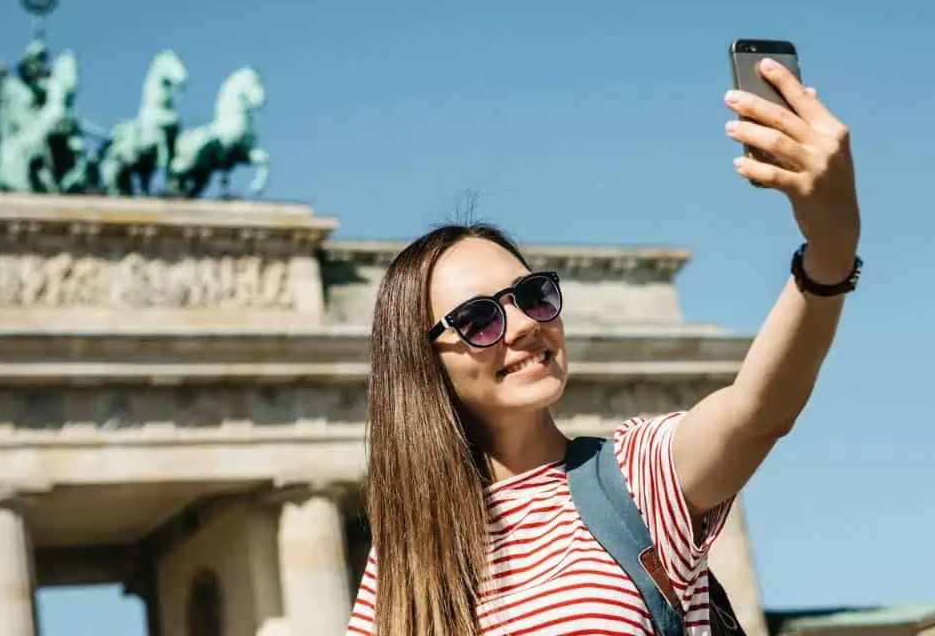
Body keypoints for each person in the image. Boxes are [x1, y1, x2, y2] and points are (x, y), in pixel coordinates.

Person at [345, 58, 861, 636]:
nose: (521, 326)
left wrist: (829, 251)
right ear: (424, 365)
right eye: (478, 319)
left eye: (533, 295)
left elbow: (758, 410)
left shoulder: (634, 476)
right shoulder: (403, 568)